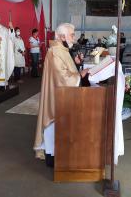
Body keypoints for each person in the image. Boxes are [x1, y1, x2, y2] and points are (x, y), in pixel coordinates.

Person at [33, 23, 89, 165]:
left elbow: (66, 69)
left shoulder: (61, 49)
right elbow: (61, 77)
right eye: (72, 34)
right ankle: (53, 157)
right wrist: (79, 75)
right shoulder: (55, 51)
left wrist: (75, 64)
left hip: (62, 95)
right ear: (62, 36)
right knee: (54, 128)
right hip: (56, 98)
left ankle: (59, 154)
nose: (74, 37)